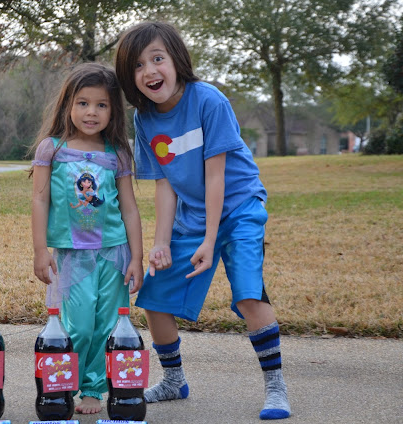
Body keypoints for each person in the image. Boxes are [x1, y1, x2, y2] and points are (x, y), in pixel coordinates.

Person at [114, 22, 291, 420]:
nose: (149, 71)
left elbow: (216, 177)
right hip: (193, 215)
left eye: (157, 59)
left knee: (248, 294)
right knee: (154, 297)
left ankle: (276, 387)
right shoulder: (144, 120)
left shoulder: (208, 100)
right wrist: (161, 242)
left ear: (177, 59)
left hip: (239, 207)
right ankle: (174, 381)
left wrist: (210, 241)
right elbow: (164, 185)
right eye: (138, 65)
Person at [30, 62, 144, 415]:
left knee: (108, 326)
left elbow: (130, 209)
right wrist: (40, 250)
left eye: (101, 105)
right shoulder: (52, 149)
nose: (91, 112)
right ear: (68, 105)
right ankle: (64, 386)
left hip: (113, 252)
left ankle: (93, 388)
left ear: (113, 111)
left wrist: (137, 258)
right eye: (83, 103)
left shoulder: (117, 152)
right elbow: (40, 200)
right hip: (72, 254)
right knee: (78, 325)